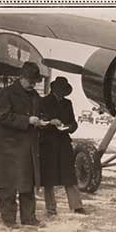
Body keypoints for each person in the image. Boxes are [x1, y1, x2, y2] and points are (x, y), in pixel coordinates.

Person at [0, 62, 44, 228]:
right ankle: (9, 219)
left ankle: (29, 217)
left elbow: (37, 113)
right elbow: (2, 115)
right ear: (22, 77)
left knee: (27, 183)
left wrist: (41, 121)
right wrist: (27, 120)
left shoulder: (34, 95)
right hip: (9, 147)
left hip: (28, 147)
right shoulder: (7, 93)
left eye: (35, 81)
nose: (33, 84)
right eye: (30, 81)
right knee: (8, 185)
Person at [39, 76, 86, 216]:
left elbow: (73, 122)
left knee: (69, 175)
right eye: (60, 90)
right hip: (48, 143)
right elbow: (39, 121)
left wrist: (70, 127)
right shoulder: (44, 101)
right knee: (48, 177)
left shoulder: (68, 103)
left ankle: (76, 205)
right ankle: (51, 208)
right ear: (54, 89)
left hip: (64, 142)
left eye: (64, 91)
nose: (62, 93)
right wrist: (50, 122)